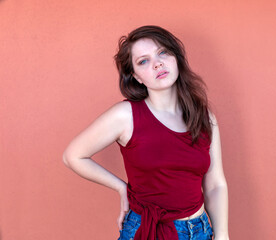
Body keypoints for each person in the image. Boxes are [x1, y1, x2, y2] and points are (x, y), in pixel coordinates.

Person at [62, 25, 229, 240]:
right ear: (137, 77)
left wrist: (223, 234)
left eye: (163, 53)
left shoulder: (204, 116)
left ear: (175, 58)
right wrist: (122, 188)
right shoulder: (125, 115)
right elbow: (73, 156)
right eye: (143, 61)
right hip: (147, 231)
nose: (157, 63)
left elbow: (215, 183)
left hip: (201, 231)